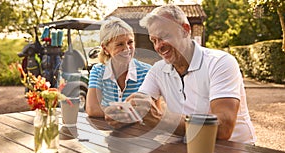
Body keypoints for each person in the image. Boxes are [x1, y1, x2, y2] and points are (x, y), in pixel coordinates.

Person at [106, 5, 256, 144]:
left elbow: (223, 128)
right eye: (154, 40)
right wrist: (123, 114)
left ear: (185, 30)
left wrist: (160, 119)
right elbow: (139, 104)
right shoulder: (158, 69)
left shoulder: (220, 62)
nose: (159, 46)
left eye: (164, 36)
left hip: (232, 152)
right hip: (186, 147)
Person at [86, 17, 152, 118]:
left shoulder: (147, 72)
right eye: (120, 44)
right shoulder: (98, 70)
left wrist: (110, 112)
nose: (126, 49)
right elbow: (92, 108)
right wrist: (126, 114)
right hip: (106, 132)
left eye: (130, 42)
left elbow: (150, 112)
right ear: (105, 48)